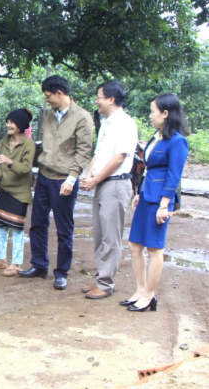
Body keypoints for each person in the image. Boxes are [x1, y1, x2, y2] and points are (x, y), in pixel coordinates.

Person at [20, 75, 93, 290]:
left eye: (48, 96)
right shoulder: (49, 115)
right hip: (44, 177)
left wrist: (72, 179)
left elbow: (83, 152)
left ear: (59, 93)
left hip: (64, 180)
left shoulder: (82, 117)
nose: (47, 100)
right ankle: (39, 265)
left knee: (64, 228)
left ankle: (61, 272)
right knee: (37, 224)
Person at [122, 94, 189, 312]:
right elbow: (148, 168)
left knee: (154, 248)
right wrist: (139, 192)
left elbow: (174, 175)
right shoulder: (157, 136)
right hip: (147, 195)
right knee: (134, 245)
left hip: (160, 200)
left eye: (153, 111)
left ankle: (150, 295)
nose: (150, 115)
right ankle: (140, 290)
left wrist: (164, 205)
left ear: (166, 113)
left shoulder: (178, 141)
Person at [80, 80, 138, 299]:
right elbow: (99, 152)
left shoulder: (125, 123)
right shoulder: (106, 123)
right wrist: (89, 174)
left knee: (111, 236)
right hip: (102, 183)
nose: (97, 102)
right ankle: (100, 277)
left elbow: (118, 158)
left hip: (115, 183)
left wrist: (95, 180)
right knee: (100, 234)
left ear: (111, 99)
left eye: (99, 98)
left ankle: (105, 283)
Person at [0, 109, 35, 277]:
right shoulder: (4, 141)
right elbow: (0, 167)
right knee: (1, 225)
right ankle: (0, 259)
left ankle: (16, 263)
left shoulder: (29, 144)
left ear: (21, 125)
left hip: (20, 193)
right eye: (8, 121)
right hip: (5, 190)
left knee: (17, 229)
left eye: (12, 122)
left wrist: (10, 161)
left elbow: (26, 168)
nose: (8, 125)